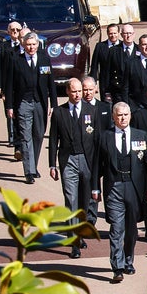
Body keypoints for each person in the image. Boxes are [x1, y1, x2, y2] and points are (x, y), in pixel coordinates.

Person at [95, 102, 147, 283]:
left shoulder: (141, 136)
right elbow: (97, 164)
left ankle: (129, 259)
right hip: (114, 187)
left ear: (130, 116)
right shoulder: (104, 136)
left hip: (134, 187)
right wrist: (95, 187)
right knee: (116, 228)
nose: (122, 118)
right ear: (113, 117)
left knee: (131, 228)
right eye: (119, 115)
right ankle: (118, 266)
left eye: (126, 115)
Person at [47, 77, 102, 258]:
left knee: (84, 202)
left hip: (87, 160)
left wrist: (98, 165)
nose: (78, 94)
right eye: (75, 91)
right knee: (71, 200)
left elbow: (97, 140)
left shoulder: (92, 111)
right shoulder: (59, 112)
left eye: (80, 91)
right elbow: (54, 139)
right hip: (68, 160)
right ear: (68, 92)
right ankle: (74, 242)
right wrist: (52, 164)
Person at [5, 31, 57, 184]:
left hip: (40, 102)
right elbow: (9, 86)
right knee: (26, 136)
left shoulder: (44, 58)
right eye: (28, 45)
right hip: (23, 103)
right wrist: (9, 106)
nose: (31, 47)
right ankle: (29, 171)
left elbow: (50, 83)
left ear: (38, 45)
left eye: (34, 44)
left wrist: (53, 104)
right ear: (23, 45)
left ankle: (33, 165)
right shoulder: (16, 61)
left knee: (39, 134)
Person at [0, 20, 24, 145]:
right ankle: (11, 137)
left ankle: (19, 137)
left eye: (17, 30)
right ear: (8, 32)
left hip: (21, 84)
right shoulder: (3, 46)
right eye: (12, 30)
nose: (15, 32)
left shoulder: (24, 46)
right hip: (7, 84)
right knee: (9, 110)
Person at [90, 23, 121, 105]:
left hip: (120, 85)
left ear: (118, 33)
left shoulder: (123, 46)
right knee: (107, 107)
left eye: (115, 33)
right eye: (110, 33)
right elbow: (94, 66)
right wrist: (93, 83)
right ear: (107, 33)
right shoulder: (100, 47)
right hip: (105, 84)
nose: (113, 35)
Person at [107, 23, 138, 103]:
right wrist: (107, 92)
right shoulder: (113, 51)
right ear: (121, 35)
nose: (128, 36)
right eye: (125, 33)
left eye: (130, 33)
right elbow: (108, 72)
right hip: (118, 92)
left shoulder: (140, 50)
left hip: (136, 93)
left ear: (134, 34)